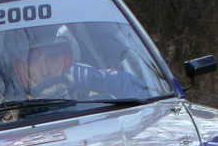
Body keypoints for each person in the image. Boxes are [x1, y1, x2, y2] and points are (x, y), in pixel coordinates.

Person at [11, 29, 146, 100]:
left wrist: (104, 81)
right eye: (32, 61)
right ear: (20, 68)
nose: (44, 71)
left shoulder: (89, 92)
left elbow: (148, 97)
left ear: (67, 59)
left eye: (52, 58)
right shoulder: (10, 108)